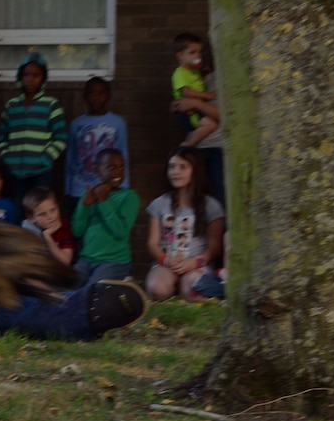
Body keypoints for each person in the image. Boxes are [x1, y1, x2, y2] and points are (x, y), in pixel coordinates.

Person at [144, 148, 226, 301]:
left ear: (195, 170)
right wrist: (166, 260)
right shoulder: (159, 204)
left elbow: (214, 247)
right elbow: (152, 243)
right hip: (167, 264)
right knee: (158, 289)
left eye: (183, 167)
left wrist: (195, 262)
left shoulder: (211, 205)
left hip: (197, 264)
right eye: (172, 166)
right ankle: (171, 284)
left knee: (192, 292)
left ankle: (187, 285)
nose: (176, 171)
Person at [0, 53, 66, 201]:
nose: (30, 79)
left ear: (43, 78)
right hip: (15, 172)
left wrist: (44, 159)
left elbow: (61, 138)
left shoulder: (51, 104)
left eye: (36, 75)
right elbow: (2, 137)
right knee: (19, 212)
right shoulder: (12, 105)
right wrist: (8, 158)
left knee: (40, 210)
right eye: (26, 75)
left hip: (41, 172)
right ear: (20, 77)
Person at [71, 149, 139, 285]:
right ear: (97, 170)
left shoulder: (129, 197)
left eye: (121, 168)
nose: (118, 173)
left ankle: (125, 280)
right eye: (111, 167)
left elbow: (120, 232)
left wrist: (104, 202)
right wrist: (85, 206)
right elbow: (76, 231)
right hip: (86, 260)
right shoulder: (88, 195)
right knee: (67, 288)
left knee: (93, 292)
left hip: (114, 262)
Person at [65, 76, 129, 205]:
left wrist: (124, 185)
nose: (96, 97)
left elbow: (124, 155)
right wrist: (68, 188)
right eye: (92, 93)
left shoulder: (118, 123)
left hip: (109, 188)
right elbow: (70, 158)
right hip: (80, 188)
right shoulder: (76, 124)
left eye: (101, 93)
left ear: (108, 95)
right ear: (84, 96)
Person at [171, 33, 219, 148]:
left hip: (196, 108)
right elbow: (186, 91)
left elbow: (197, 82)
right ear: (180, 56)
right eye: (193, 52)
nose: (198, 56)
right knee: (211, 125)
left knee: (211, 125)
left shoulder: (194, 71)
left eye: (199, 52)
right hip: (190, 112)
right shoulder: (179, 73)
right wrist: (206, 95)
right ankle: (188, 145)